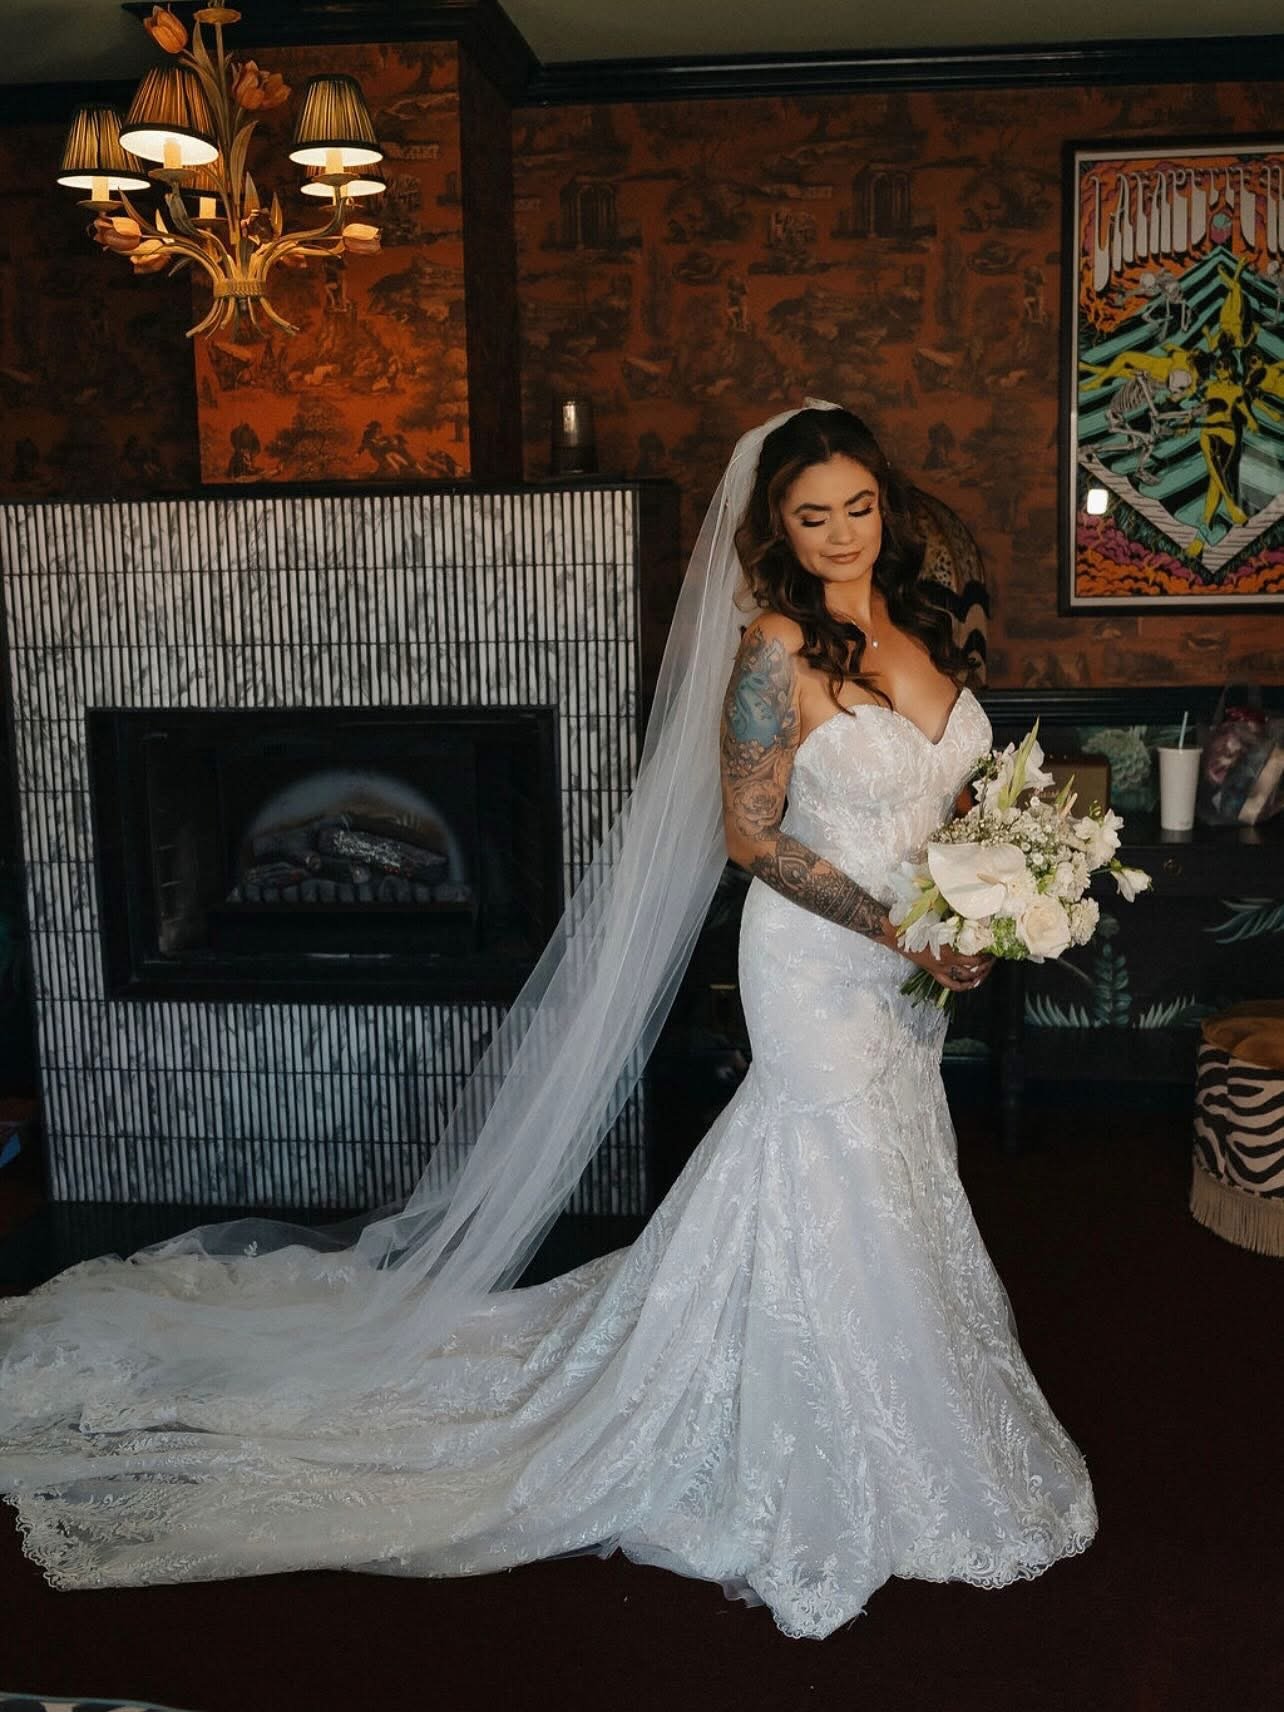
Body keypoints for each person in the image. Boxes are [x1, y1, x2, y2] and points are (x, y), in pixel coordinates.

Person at [0, 404, 1095, 1639]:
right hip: (821, 963)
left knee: (891, 1167)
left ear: (884, 504)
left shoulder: (918, 618)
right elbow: (751, 834)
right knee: (830, 1162)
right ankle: (820, 1440)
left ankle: (896, 1403)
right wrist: (901, 928)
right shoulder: (774, 648)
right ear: (775, 528)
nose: (841, 533)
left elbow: (950, 802)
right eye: (811, 514)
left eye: (858, 507)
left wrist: (987, 902)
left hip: (908, 974)